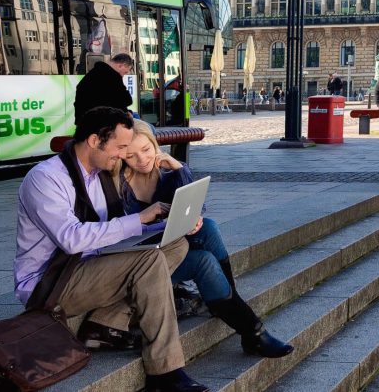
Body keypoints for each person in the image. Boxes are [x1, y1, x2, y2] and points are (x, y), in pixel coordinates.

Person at [13, 106, 207, 392]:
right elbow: (71, 239)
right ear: (95, 140)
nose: (122, 154)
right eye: (120, 147)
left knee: (175, 244)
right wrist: (139, 219)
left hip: (91, 265)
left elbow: (110, 232)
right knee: (150, 261)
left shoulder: (98, 174)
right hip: (51, 283)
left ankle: (106, 323)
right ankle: (165, 373)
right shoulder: (46, 178)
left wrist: (164, 225)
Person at [117, 120, 293, 358]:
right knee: (203, 261)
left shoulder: (166, 175)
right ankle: (251, 330)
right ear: (121, 156)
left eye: (147, 149)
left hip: (168, 246)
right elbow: (122, 235)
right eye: (131, 155)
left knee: (207, 226)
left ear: (155, 144)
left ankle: (234, 306)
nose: (142, 159)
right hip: (144, 261)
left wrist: (178, 168)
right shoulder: (118, 186)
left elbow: (194, 204)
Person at [75, 53, 135, 127]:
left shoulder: (92, 74)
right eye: (125, 72)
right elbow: (127, 100)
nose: (123, 75)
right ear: (120, 66)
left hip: (83, 122)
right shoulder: (112, 76)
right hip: (100, 123)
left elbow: (111, 101)